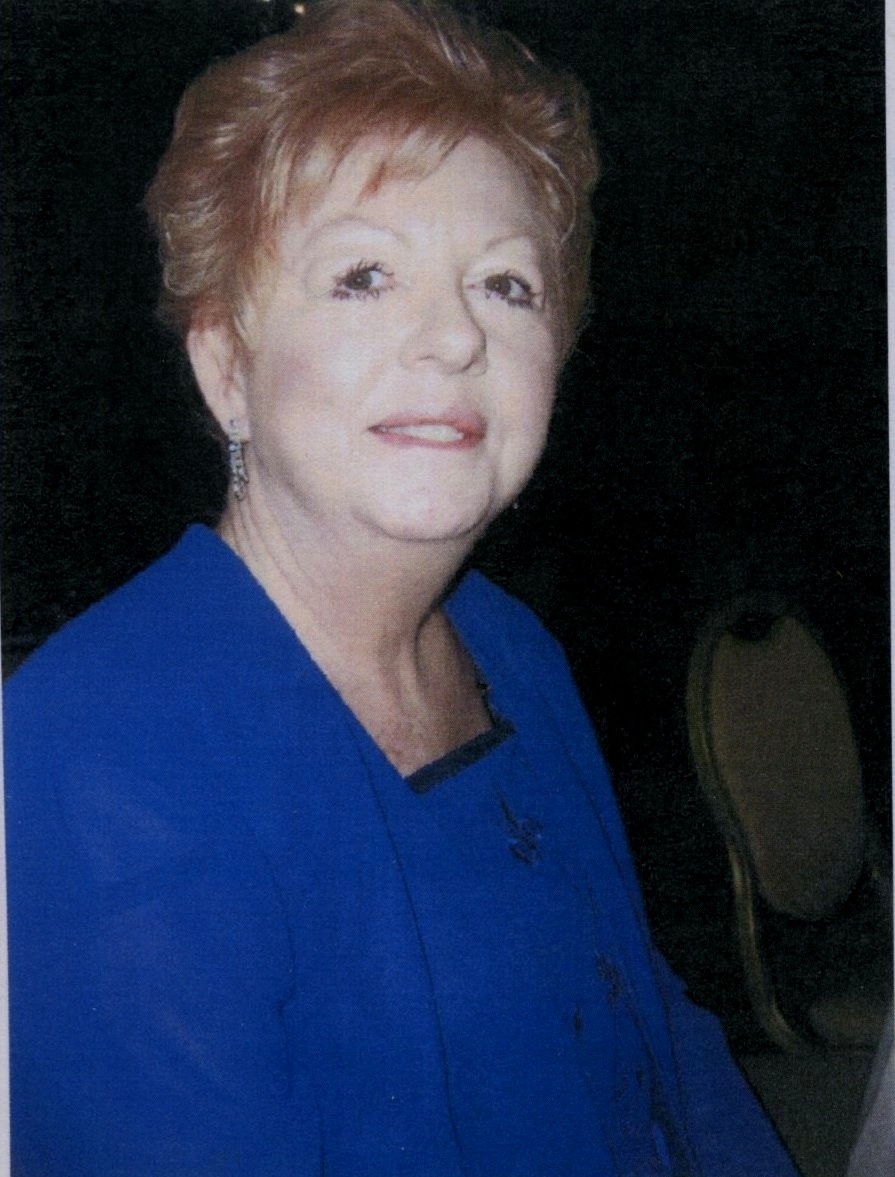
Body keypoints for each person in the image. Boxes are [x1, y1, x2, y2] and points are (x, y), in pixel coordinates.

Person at [3, 1, 798, 1173]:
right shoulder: (92, 750)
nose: (452, 338)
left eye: (505, 285)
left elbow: (656, 1034)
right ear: (226, 364)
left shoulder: (508, 643)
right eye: (365, 275)